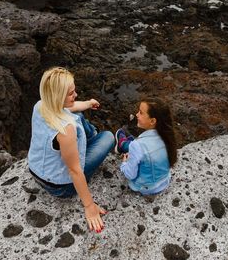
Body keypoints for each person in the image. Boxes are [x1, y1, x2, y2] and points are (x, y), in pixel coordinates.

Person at [27, 67, 115, 233]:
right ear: (57, 97)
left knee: (79, 115)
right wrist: (89, 206)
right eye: (70, 93)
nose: (75, 95)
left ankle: (91, 136)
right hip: (59, 186)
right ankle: (94, 137)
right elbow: (74, 171)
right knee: (108, 137)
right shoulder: (66, 130)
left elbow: (71, 108)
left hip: (35, 170)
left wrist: (88, 103)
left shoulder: (40, 105)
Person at [115, 98, 178, 196]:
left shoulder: (137, 145)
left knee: (133, 145)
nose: (136, 114)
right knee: (137, 145)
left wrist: (124, 163)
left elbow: (130, 174)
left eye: (140, 112)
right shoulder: (167, 137)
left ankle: (122, 144)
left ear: (152, 121)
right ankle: (126, 141)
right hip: (164, 181)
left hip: (145, 188)